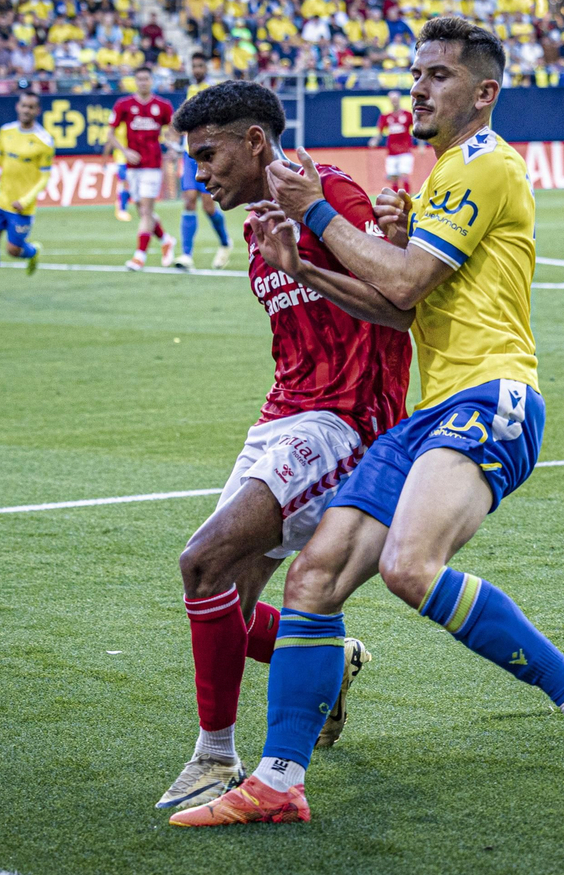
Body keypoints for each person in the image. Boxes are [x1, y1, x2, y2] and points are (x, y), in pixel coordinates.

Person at [171, 16, 564, 828]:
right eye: (416, 74)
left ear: (484, 93)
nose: (419, 88)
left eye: (440, 76)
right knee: (314, 581)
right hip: (429, 414)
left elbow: (411, 278)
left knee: (408, 566)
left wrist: (319, 215)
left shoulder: (487, 165)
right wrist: (302, 266)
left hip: (493, 399)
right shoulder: (443, 177)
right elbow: (396, 307)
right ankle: (279, 782)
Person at [154, 79, 414, 812]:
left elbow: (400, 309)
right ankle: (330, 662)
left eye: (208, 155)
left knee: (202, 560)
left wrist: (382, 243)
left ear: (255, 142)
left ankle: (214, 758)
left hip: (343, 423)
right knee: (223, 600)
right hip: (282, 416)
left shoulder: (334, 196)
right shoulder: (254, 221)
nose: (199, 173)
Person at [0, 90, 53, 297]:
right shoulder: (6, 131)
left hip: (22, 206)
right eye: (24, 106)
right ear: (18, 107)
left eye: (31, 107)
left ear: (37, 111)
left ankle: (32, 252)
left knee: (13, 251)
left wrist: (25, 199)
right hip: (0, 199)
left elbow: (44, 177)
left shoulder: (44, 141)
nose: (26, 110)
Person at [112, 66, 177, 269]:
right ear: (135, 81)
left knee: (147, 211)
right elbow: (110, 134)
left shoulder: (162, 106)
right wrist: (124, 150)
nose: (143, 82)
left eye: (146, 79)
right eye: (139, 79)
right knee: (142, 211)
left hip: (152, 164)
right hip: (133, 166)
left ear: (152, 81)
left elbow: (172, 129)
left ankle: (140, 256)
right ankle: (166, 240)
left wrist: (172, 146)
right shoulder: (124, 105)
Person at [175, 52, 234, 271]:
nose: (197, 69)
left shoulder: (213, 92)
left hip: (208, 154)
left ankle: (225, 243)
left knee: (209, 206)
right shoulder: (190, 91)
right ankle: (186, 254)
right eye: (194, 66)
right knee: (189, 199)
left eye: (200, 65)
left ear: (206, 68)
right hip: (189, 153)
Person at [369, 90, 417, 194]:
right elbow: (380, 132)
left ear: (399, 100)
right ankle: (396, 199)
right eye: (392, 100)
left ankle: (407, 197)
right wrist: (375, 140)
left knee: (404, 175)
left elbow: (417, 129)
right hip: (391, 152)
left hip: (405, 150)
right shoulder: (386, 117)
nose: (394, 102)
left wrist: (421, 145)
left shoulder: (407, 115)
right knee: (394, 178)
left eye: (396, 100)